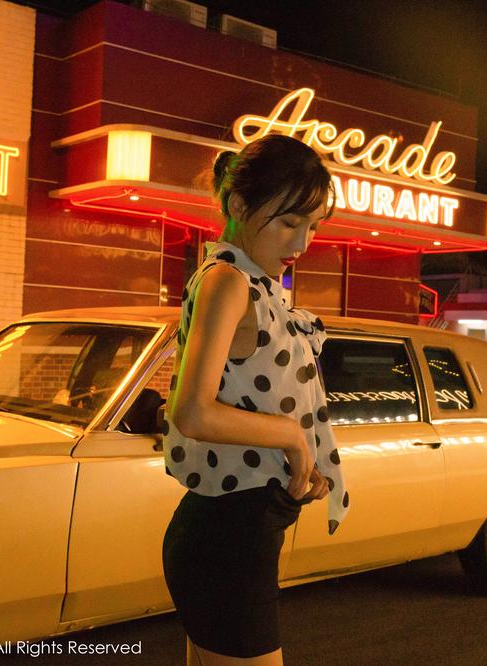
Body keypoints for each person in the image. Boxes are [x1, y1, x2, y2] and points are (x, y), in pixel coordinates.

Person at [161, 134, 350, 666]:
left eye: (313, 226)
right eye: (289, 222)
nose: (302, 242)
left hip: (234, 532)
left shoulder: (255, 284)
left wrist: (302, 458)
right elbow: (192, 410)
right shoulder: (229, 281)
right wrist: (292, 439)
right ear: (240, 206)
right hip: (227, 539)